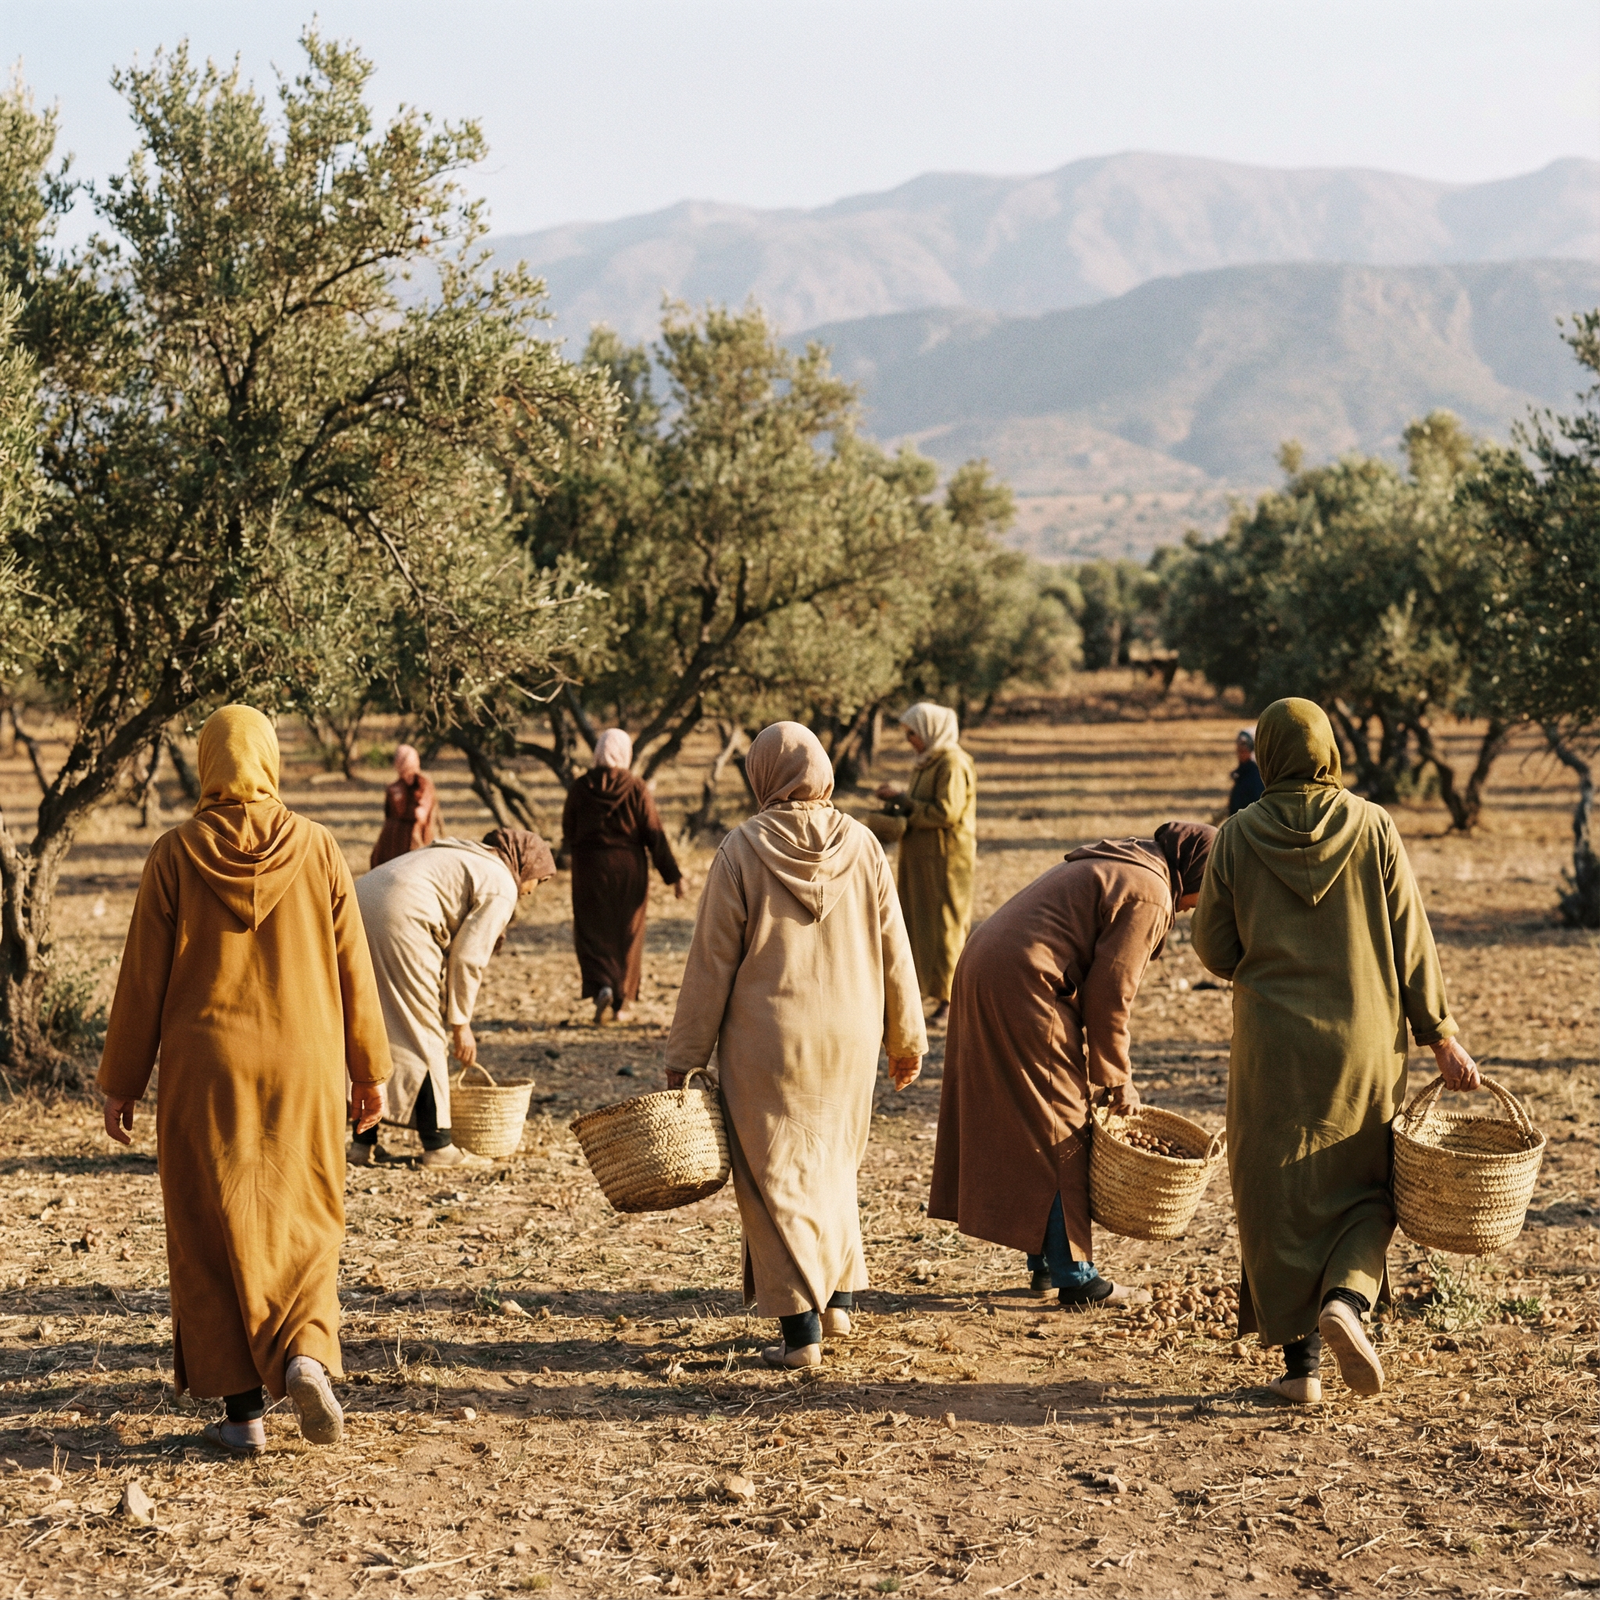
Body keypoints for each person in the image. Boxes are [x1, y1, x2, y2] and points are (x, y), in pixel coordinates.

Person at [98, 705, 393, 1456]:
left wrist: (121, 1079)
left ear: (208, 764)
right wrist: (371, 1071)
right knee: (306, 1215)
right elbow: (356, 970)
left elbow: (141, 980)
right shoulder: (321, 848)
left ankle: (243, 1417)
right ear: (269, 763)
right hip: (306, 1064)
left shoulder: (173, 854)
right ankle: (302, 1354)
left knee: (211, 1229)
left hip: (207, 1070)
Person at [1191, 697, 1480, 1405]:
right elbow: (1412, 937)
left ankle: (1301, 1368)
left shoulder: (1235, 836)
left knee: (1278, 1191)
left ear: (1266, 755)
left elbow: (1212, 948)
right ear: (1326, 750)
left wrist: (1262, 966)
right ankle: (1347, 1301)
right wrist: (1439, 1033)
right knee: (1366, 1186)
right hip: (1365, 1043)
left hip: (1272, 1049)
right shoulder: (1374, 825)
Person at [666, 722, 927, 1370]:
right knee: (833, 1165)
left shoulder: (741, 848)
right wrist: (906, 1037)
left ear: (763, 775)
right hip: (850, 1037)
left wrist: (685, 1056)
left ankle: (801, 1332)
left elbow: (711, 962)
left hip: (769, 1038)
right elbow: (896, 947)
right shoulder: (864, 844)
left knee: (774, 1177)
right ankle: (835, 1300)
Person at [929, 823, 1214, 1310]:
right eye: (1205, 893)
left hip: (990, 966)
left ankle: (1045, 1257)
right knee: (1063, 1123)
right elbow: (1110, 996)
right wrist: (1117, 1079)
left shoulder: (1131, 863)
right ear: (1194, 871)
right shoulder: (1150, 893)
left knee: (1033, 1121)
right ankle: (1077, 1277)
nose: (1195, 907)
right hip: (1023, 983)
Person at [353, 828, 555, 1168]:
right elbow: (467, 957)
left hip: (356, 903)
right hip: (401, 918)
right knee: (424, 1032)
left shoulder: (469, 854)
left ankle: (362, 1145)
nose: (533, 891)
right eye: (539, 880)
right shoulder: (503, 883)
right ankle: (439, 1146)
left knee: (373, 1025)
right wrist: (460, 1023)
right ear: (526, 865)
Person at [561, 728, 684, 1026]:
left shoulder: (580, 787)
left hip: (589, 869)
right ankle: (621, 1002)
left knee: (592, 931)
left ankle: (602, 985)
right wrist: (673, 875)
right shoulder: (635, 787)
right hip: (628, 868)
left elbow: (568, 830)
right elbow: (654, 833)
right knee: (628, 934)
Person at [875, 702, 977, 1028]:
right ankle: (920, 993)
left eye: (913, 734)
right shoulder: (925, 763)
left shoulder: (952, 763)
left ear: (930, 730)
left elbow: (947, 812)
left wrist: (904, 803)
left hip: (946, 861)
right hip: (919, 857)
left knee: (946, 926)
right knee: (918, 925)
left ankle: (950, 1000)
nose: (910, 741)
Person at [370, 744, 441, 869]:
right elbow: (391, 814)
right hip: (393, 842)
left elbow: (420, 814)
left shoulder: (424, 783)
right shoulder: (395, 787)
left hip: (417, 842)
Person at [1226, 727, 1265, 816]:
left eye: (1244, 744)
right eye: (1238, 745)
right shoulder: (1241, 772)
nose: (1240, 747)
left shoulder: (1257, 776)